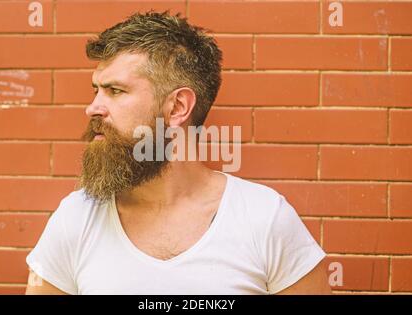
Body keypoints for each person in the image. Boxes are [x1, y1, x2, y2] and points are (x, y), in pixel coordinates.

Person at [25, 10, 331, 295]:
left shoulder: (264, 219)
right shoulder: (76, 219)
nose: (93, 108)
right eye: (96, 89)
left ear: (178, 107)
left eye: (115, 91)